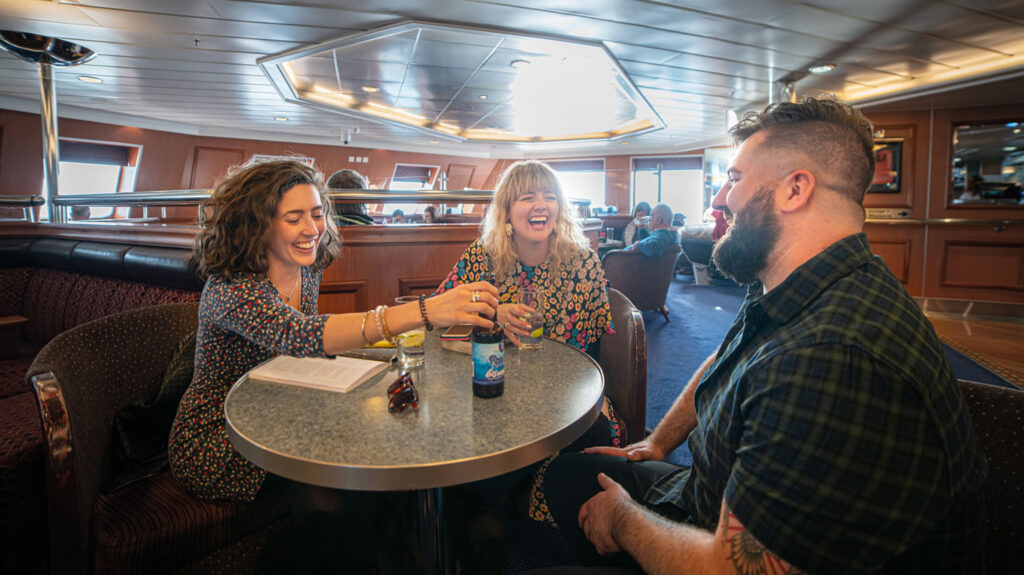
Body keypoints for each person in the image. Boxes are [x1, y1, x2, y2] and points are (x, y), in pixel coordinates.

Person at [531, 98, 987, 574]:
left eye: (734, 178)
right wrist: (657, 443)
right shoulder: (796, 281)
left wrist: (623, 520)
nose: (717, 199)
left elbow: (738, 568)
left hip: (727, 556)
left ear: (796, 189)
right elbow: (726, 360)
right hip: (711, 500)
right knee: (570, 475)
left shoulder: (828, 357)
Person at [168, 159, 498, 503]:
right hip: (222, 439)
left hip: (282, 410)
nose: (312, 229)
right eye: (294, 219)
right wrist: (424, 311)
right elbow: (298, 335)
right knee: (352, 489)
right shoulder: (231, 289)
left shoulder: (307, 269)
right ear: (255, 226)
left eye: (317, 213)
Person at [435, 159, 618, 446]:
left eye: (549, 197)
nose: (541, 205)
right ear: (507, 211)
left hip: (563, 391)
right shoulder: (482, 256)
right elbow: (440, 312)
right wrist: (492, 314)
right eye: (527, 197)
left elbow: (587, 355)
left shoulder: (583, 262)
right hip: (493, 388)